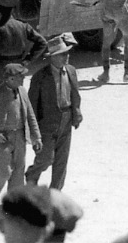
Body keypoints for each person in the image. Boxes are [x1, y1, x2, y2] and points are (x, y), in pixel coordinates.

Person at [0, 62, 40, 212]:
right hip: (2, 139)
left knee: (18, 172)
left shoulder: (22, 91)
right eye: (21, 76)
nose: (24, 78)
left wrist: (36, 136)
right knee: (3, 173)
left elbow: (30, 115)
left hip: (19, 136)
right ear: (10, 78)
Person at [25, 33, 84, 190]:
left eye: (66, 53)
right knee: (45, 159)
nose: (66, 57)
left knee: (61, 161)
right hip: (47, 124)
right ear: (52, 57)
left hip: (66, 119)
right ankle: (32, 175)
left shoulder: (71, 71)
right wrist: (33, 130)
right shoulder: (40, 77)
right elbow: (32, 105)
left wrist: (76, 112)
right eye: (62, 54)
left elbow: (75, 94)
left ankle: (55, 195)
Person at [0, 0, 47, 75]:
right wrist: (28, 59)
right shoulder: (23, 25)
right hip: (18, 66)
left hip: (0, 67)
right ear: (12, 11)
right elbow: (42, 42)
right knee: (17, 86)